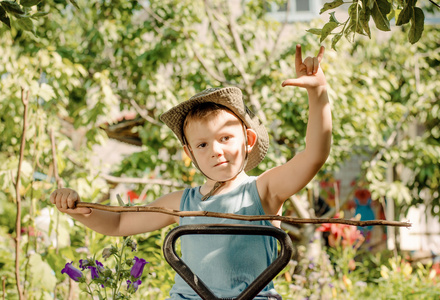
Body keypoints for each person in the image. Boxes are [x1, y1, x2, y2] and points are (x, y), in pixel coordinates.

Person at [50, 44, 332, 299]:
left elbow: (313, 156)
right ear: (190, 153)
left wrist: (318, 94)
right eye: (202, 143)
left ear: (248, 140)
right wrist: (79, 209)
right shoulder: (182, 203)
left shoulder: (263, 190)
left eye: (225, 138)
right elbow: (119, 223)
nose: (216, 150)